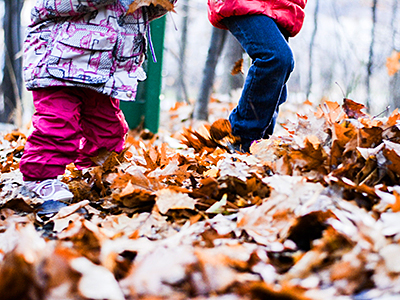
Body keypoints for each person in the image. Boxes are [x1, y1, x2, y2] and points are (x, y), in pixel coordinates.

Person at [20, 0, 171, 211]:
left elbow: (151, 10)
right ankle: (39, 179)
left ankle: (96, 173)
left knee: (108, 128)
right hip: (59, 60)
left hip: (105, 67)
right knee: (59, 122)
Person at [208, 0, 307, 152]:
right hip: (245, 2)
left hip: (282, 5)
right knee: (276, 57)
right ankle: (240, 138)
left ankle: (258, 146)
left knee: (281, 67)